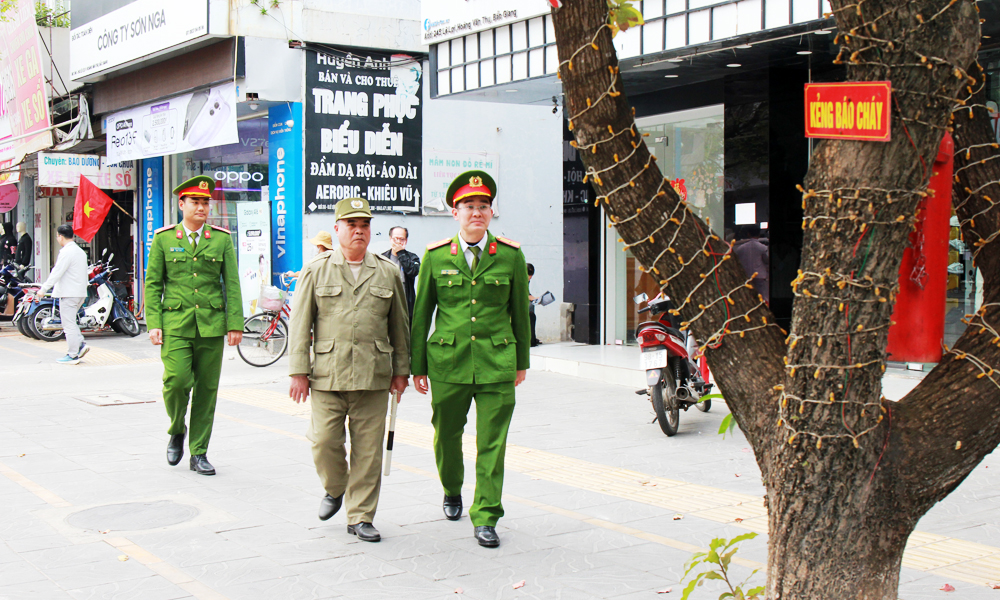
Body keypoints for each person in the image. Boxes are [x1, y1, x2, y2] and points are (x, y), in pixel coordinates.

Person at [410, 170, 530, 548]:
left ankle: (487, 515)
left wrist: (521, 362)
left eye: (483, 206)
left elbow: (520, 314)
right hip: (448, 361)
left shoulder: (510, 255)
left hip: (497, 361)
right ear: (454, 212)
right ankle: (452, 489)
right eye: (468, 207)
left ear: (491, 212)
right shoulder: (434, 256)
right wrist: (417, 366)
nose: (476, 212)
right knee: (446, 436)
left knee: (493, 442)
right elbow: (421, 314)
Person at [288, 197, 410, 544]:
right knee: (324, 441)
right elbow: (300, 324)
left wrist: (402, 371)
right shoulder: (317, 269)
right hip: (328, 374)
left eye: (365, 225)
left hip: (373, 374)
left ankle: (360, 516)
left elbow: (399, 325)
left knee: (369, 450)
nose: (359, 231)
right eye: (352, 225)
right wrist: (299, 371)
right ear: (337, 229)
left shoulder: (387, 271)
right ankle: (335, 486)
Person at [144, 175, 243, 476]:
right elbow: (152, 284)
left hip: (211, 325)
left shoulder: (222, 239)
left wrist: (234, 323)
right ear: (181, 204)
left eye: (205, 202)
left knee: (206, 390)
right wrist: (153, 322)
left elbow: (232, 284)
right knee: (176, 381)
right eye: (195, 202)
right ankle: (177, 428)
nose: (201, 207)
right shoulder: (163, 239)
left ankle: (199, 451)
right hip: (175, 322)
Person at [36, 224, 89, 365]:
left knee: (68, 324)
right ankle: (81, 344)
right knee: (71, 321)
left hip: (69, 293)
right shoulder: (80, 252)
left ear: (60, 236)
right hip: (80, 293)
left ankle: (73, 355)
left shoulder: (66, 252)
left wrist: (43, 289)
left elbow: (57, 272)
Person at [381, 226, 420, 320]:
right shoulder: (382, 258)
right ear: (390, 239)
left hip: (406, 306)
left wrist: (401, 253)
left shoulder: (412, 258)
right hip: (386, 306)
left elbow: (412, 272)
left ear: (406, 240)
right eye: (395, 239)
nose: (398, 242)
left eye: (401, 239)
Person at [733, 225, 770, 304]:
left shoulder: (740, 248)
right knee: (762, 297)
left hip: (745, 276)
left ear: (748, 234)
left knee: (748, 297)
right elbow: (767, 260)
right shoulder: (762, 248)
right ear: (759, 234)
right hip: (760, 276)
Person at [527, 263, 541, 347]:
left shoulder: (527, 280)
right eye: (529, 275)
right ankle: (531, 340)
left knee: (532, 315)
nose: (530, 277)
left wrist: (535, 298)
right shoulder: (519, 279)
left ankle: (532, 338)